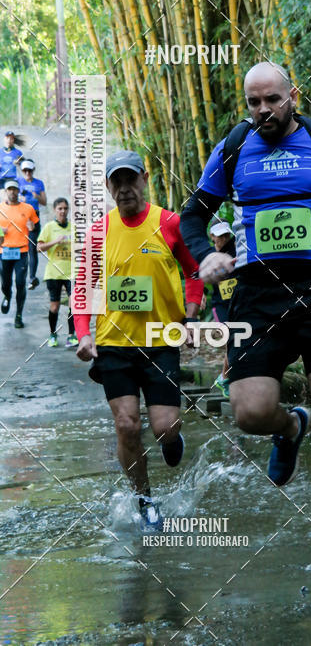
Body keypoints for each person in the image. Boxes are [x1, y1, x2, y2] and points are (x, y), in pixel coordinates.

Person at [181, 61, 311, 572]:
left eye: (272, 100)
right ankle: (288, 427)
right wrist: (202, 254)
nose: (262, 111)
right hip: (257, 295)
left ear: (292, 96)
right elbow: (194, 213)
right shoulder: (234, 147)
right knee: (250, 413)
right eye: (253, 102)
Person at [73, 150, 204, 530]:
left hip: (161, 341)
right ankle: (145, 499)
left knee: (165, 426)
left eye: (131, 179)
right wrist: (84, 334)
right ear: (108, 186)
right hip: (114, 345)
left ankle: (170, 439)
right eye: (118, 181)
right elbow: (84, 289)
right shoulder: (98, 232)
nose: (125, 188)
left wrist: (191, 317)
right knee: (127, 426)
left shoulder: (169, 223)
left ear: (144, 179)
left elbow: (194, 272)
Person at [38, 197, 77, 348]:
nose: (62, 211)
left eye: (65, 208)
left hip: (71, 273)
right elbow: (39, 247)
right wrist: (55, 241)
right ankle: (53, 334)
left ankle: (71, 335)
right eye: (60, 208)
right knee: (55, 306)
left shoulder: (73, 227)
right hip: (54, 273)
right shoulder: (49, 227)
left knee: (74, 305)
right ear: (55, 210)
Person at [0, 180, 38, 328]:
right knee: (5, 283)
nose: (12, 192)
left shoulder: (28, 208)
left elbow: (34, 226)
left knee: (21, 283)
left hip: (21, 251)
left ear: (18, 191)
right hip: (4, 251)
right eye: (10, 189)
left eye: (15, 189)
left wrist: (32, 227)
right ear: (5, 191)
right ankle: (7, 296)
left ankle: (18, 315)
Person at [208, 219, 236, 398]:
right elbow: (196, 274)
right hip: (220, 305)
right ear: (212, 237)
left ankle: (225, 376)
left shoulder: (237, 249)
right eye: (220, 236)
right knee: (231, 338)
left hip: (239, 302)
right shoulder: (208, 254)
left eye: (226, 235)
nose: (224, 238)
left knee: (237, 340)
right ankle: (226, 376)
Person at [18, 158, 47, 289]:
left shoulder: (39, 183)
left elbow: (44, 201)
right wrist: (20, 198)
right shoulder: (18, 182)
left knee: (32, 247)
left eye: (29, 170)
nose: (27, 173)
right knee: (19, 246)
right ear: (22, 171)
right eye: (25, 170)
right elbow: (8, 196)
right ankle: (19, 274)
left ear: (33, 170)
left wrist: (36, 196)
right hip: (20, 216)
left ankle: (32, 277)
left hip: (34, 216)